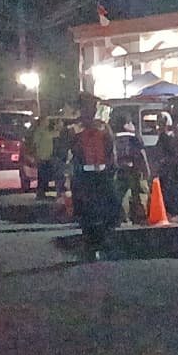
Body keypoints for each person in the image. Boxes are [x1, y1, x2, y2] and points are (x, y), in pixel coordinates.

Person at [70, 94, 119, 257]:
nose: (90, 110)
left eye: (92, 107)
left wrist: (112, 168)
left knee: (111, 207)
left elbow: (111, 149)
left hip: (102, 175)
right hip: (84, 177)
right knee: (86, 212)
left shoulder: (103, 127)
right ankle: (90, 243)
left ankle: (105, 240)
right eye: (87, 106)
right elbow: (69, 153)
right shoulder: (74, 129)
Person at [110, 110, 150, 225]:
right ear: (125, 124)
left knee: (121, 194)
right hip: (135, 170)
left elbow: (113, 154)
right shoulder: (135, 137)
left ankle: (123, 217)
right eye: (131, 122)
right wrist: (146, 169)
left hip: (120, 169)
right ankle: (140, 216)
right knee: (138, 193)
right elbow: (142, 154)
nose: (133, 125)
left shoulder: (115, 138)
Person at [28, 116, 58, 198]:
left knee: (45, 176)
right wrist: (35, 156)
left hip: (48, 157)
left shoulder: (47, 131)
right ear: (42, 122)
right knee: (42, 176)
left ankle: (43, 192)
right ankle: (40, 193)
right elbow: (35, 144)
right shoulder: (39, 131)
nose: (48, 122)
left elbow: (55, 135)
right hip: (41, 157)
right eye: (46, 121)